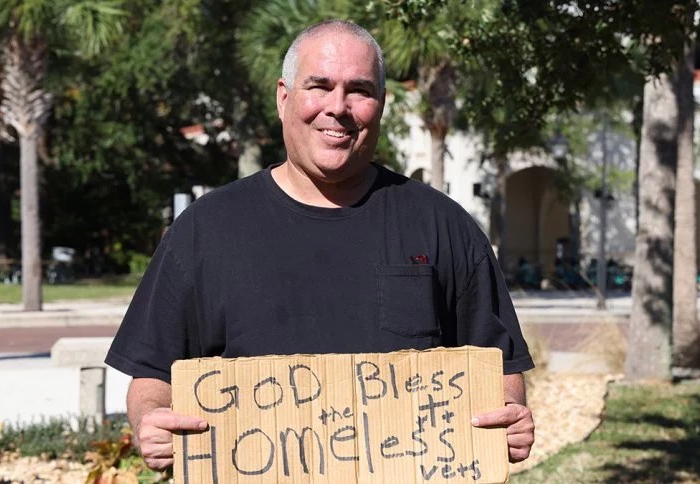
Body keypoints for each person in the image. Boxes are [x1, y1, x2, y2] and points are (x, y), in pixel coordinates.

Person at [105, 19, 535, 471]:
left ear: (381, 103)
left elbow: (500, 369)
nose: (338, 107)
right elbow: (152, 375)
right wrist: (152, 421)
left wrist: (509, 416)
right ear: (283, 97)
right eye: (320, 86)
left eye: (359, 90)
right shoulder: (204, 230)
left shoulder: (443, 225)